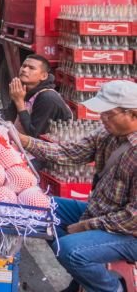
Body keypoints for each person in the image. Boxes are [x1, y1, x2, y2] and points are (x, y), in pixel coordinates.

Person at [16, 80, 137, 292]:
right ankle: (81, 281)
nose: (102, 118)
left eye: (109, 114)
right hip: (100, 212)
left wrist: (85, 227)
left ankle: (113, 288)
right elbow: (69, 153)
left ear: (133, 115)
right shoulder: (107, 134)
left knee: (70, 250)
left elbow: (132, 218)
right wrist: (24, 141)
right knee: (38, 207)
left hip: (129, 233)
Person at [6, 54, 72, 138]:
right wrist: (15, 98)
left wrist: (19, 102)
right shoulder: (24, 90)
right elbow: (8, 120)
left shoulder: (48, 98)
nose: (24, 70)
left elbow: (34, 136)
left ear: (43, 76)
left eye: (31, 68)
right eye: (24, 66)